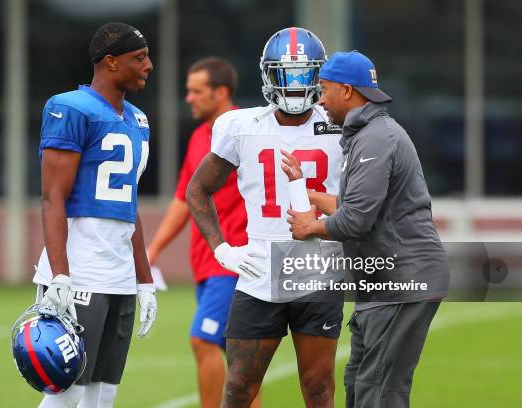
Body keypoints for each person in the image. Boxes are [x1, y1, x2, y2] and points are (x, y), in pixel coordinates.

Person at [186, 27, 345, 408]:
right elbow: (197, 190)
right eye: (285, 74)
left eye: (304, 74)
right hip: (260, 274)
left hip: (318, 270)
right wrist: (221, 249)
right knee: (239, 386)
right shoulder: (242, 126)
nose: (294, 84)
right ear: (268, 74)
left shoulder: (343, 126)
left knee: (319, 386)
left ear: (318, 75)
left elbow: (364, 198)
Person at [285, 50, 449, 408]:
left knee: (380, 391)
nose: (320, 99)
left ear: (347, 91)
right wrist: (308, 191)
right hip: (383, 283)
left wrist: (310, 227)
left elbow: (356, 219)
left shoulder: (376, 138)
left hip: (403, 281)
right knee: (360, 388)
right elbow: (356, 205)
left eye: (325, 89)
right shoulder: (369, 134)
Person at [31, 22, 158, 408]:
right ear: (110, 62)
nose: (149, 65)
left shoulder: (138, 120)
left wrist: (145, 281)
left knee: (104, 393)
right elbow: (53, 197)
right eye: (139, 58)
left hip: (118, 272)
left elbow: (129, 207)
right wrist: (61, 274)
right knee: (69, 391)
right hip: (80, 268)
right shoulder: (70, 107)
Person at [147, 57, 259, 408]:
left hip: (235, 262)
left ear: (221, 92)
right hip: (206, 264)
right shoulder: (199, 137)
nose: (189, 98)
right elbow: (184, 199)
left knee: (204, 341)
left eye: (196, 91)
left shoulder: (248, 129)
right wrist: (152, 251)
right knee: (239, 360)